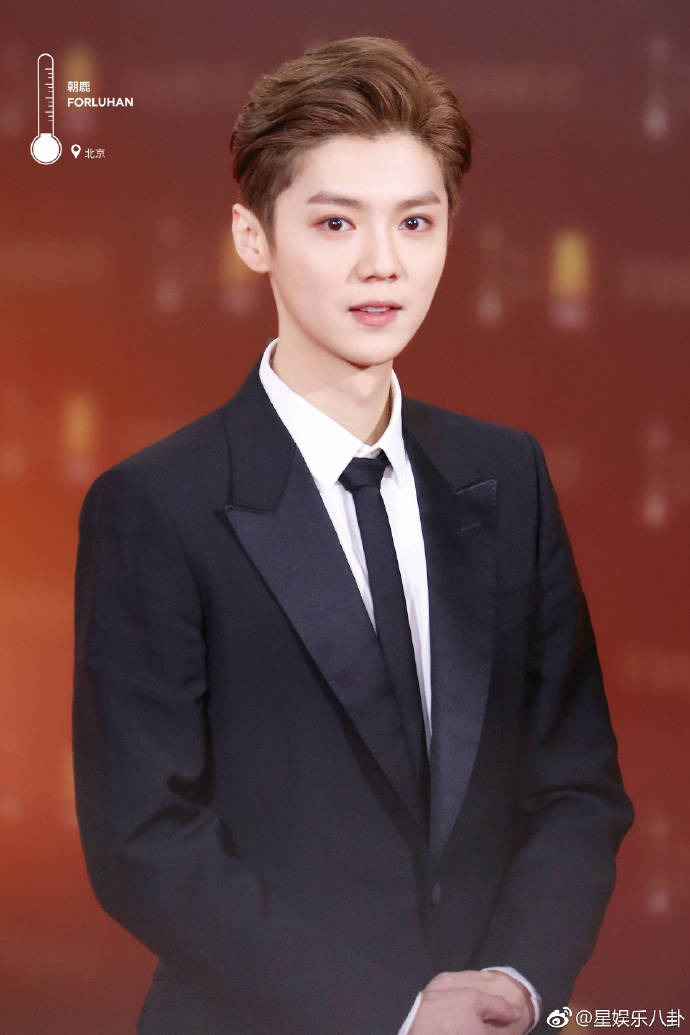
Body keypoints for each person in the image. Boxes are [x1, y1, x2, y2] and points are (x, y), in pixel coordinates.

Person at [73, 35, 634, 1035]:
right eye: (336, 222)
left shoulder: (507, 475)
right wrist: (397, 1012)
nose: (384, 263)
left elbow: (577, 787)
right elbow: (143, 839)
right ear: (253, 238)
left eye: (416, 221)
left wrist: (516, 982)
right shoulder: (157, 505)